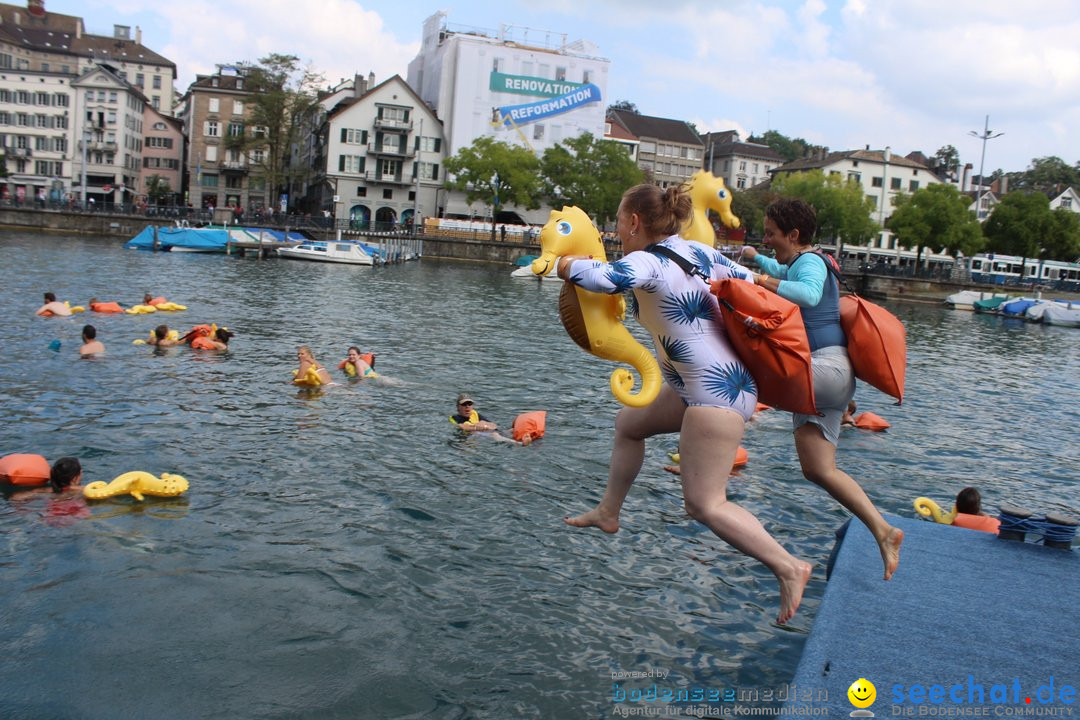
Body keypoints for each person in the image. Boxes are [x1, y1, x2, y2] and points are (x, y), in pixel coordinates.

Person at [557, 182, 812, 625]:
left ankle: (789, 567)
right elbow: (756, 283)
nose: (617, 230)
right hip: (705, 387)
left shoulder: (647, 260)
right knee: (629, 423)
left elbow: (602, 278)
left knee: (704, 503)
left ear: (634, 222)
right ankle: (608, 512)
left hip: (715, 394)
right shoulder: (700, 253)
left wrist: (558, 261)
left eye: (619, 221)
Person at [742, 198, 903, 580]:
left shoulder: (810, 262)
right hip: (829, 377)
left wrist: (759, 281)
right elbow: (783, 269)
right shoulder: (807, 259)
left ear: (794, 235)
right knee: (818, 469)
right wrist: (755, 261)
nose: (766, 240)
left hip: (823, 368)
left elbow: (809, 294)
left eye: (770, 234)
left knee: (742, 370)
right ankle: (884, 531)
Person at [450, 394, 531, 445]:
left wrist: (484, 424)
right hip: (472, 435)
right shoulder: (455, 417)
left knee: (511, 430)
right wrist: (478, 426)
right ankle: (521, 443)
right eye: (464, 404)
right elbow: (462, 427)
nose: (467, 406)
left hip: (486, 430)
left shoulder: (475, 414)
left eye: (470, 404)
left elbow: (493, 425)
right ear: (458, 407)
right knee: (495, 435)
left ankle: (528, 435)